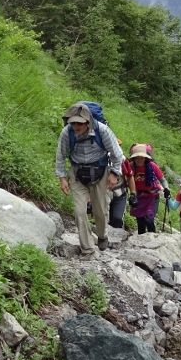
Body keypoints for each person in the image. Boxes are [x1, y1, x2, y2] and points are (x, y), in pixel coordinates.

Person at [55, 102, 124, 256]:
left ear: (88, 122)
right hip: (77, 173)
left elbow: (117, 154)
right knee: (79, 211)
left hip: (100, 172)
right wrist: (62, 178)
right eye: (72, 123)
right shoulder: (67, 133)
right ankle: (87, 249)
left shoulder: (103, 131)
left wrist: (114, 174)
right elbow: (60, 156)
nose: (75, 127)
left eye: (79, 123)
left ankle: (102, 235)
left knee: (100, 210)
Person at [114, 143, 168, 234]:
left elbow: (162, 179)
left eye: (141, 158)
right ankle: (141, 241)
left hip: (152, 196)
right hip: (138, 196)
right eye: (137, 158)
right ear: (133, 158)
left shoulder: (152, 166)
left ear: (145, 158)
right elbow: (125, 178)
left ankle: (153, 237)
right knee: (140, 221)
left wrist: (166, 188)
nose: (139, 160)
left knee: (149, 218)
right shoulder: (130, 166)